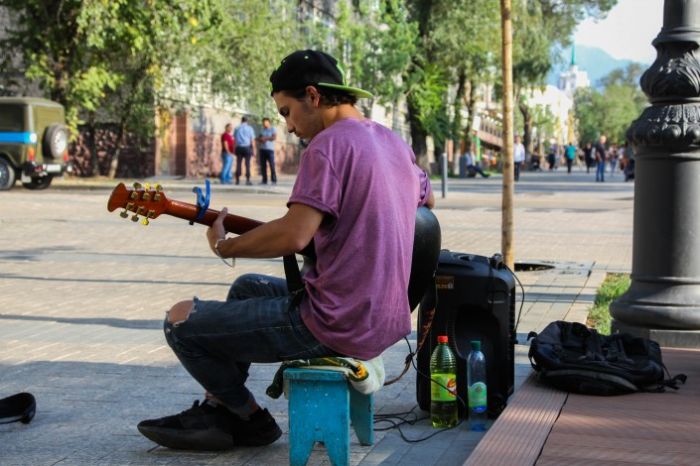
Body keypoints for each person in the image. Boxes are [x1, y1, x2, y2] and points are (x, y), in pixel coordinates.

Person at [136, 49, 434, 451]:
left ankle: (249, 417)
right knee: (246, 288)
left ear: (313, 96)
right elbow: (425, 205)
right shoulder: (392, 142)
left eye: (286, 112)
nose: (288, 127)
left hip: (335, 322)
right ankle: (221, 408)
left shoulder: (327, 147)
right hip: (382, 317)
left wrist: (227, 245)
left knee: (180, 321)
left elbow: (294, 235)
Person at [233, 116, 256, 185]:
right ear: (247, 121)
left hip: (239, 147)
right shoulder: (250, 128)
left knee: (238, 163)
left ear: (241, 121)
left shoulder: (237, 128)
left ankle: (237, 180)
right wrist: (253, 149)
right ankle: (248, 180)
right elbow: (252, 140)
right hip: (247, 148)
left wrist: (235, 148)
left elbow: (235, 139)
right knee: (247, 164)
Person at [257, 117, 277, 185]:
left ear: (269, 122)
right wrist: (260, 139)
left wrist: (265, 138)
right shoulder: (261, 130)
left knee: (272, 165)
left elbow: (274, 137)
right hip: (262, 149)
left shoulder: (272, 129)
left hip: (270, 149)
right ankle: (264, 180)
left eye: (265, 122)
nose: (264, 124)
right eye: (263, 122)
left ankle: (273, 180)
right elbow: (258, 138)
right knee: (263, 165)